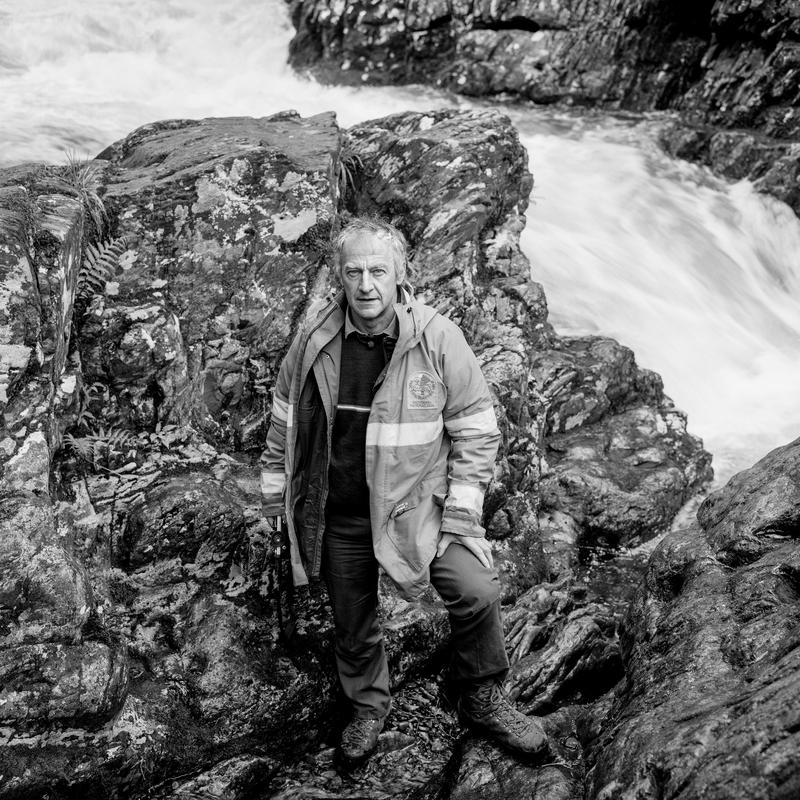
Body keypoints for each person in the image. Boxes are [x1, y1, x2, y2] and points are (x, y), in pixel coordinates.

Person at [260, 217, 547, 766]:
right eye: (354, 272)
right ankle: (368, 706)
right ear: (339, 279)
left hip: (420, 511)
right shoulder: (312, 345)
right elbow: (283, 428)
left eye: (378, 271)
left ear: (400, 277)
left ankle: (480, 694)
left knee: (477, 591)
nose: (366, 284)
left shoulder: (439, 339)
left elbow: (478, 431)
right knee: (351, 621)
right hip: (342, 514)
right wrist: (278, 506)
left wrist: (462, 520)